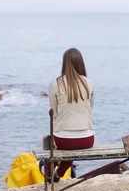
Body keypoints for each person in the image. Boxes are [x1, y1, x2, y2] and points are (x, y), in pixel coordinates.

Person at [41, 47, 95, 182]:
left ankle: (47, 169)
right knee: (70, 148)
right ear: (81, 63)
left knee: (52, 144)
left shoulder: (55, 84)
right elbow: (90, 108)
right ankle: (58, 174)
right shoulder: (89, 83)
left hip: (63, 140)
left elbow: (54, 110)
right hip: (87, 139)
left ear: (64, 63)